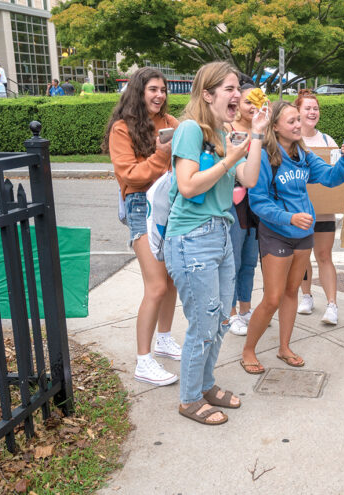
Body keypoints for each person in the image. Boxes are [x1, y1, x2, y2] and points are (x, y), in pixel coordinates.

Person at [164, 61, 268, 425]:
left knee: (221, 319)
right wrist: (229, 159)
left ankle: (205, 384)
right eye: (228, 88)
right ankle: (190, 398)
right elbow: (189, 185)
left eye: (238, 87)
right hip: (191, 237)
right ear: (207, 94)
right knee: (204, 323)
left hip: (222, 235)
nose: (237, 94)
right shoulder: (190, 130)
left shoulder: (224, 132)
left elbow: (250, 178)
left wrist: (255, 135)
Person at [240, 100, 344, 374]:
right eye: (291, 121)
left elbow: (329, 178)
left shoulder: (304, 153)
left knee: (292, 292)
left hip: (303, 234)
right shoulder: (267, 155)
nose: (298, 125)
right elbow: (258, 202)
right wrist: (288, 217)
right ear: (275, 125)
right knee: (272, 297)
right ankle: (248, 350)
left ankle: (284, 347)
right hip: (277, 234)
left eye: (298, 120)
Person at [102, 67, 181, 387]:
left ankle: (164, 338)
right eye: (153, 89)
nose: (159, 95)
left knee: (172, 279)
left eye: (162, 89)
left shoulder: (171, 123)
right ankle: (144, 360)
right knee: (156, 286)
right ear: (139, 91)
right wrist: (162, 155)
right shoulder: (122, 129)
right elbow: (130, 175)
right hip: (140, 206)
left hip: (173, 203)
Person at [294, 89, 341, 325]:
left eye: (315, 108)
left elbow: (339, 175)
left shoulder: (326, 141)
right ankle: (306, 296)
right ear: (298, 111)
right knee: (301, 257)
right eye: (307, 108)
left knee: (324, 255)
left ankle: (332, 304)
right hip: (299, 212)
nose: (312, 112)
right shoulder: (291, 140)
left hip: (323, 212)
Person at [226, 81, 261, 336]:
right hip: (233, 202)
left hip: (257, 203)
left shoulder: (264, 130)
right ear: (237, 103)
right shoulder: (229, 130)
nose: (253, 107)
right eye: (249, 102)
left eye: (258, 102)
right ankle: (229, 313)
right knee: (233, 260)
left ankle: (246, 308)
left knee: (250, 260)